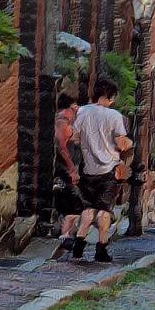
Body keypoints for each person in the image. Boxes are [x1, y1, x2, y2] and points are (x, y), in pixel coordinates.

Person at [71, 79, 133, 262]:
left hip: (88, 169)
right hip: (108, 170)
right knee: (104, 210)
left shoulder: (81, 112)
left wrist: (88, 145)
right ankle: (101, 248)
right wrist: (129, 142)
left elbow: (75, 138)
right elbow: (122, 145)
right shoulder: (114, 116)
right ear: (109, 97)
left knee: (88, 208)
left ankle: (78, 244)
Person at [52, 94, 85, 259]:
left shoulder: (67, 124)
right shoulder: (62, 123)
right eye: (74, 109)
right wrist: (72, 170)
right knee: (74, 204)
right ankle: (64, 237)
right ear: (67, 109)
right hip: (65, 172)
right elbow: (62, 149)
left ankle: (66, 236)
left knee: (74, 205)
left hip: (69, 171)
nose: (75, 112)